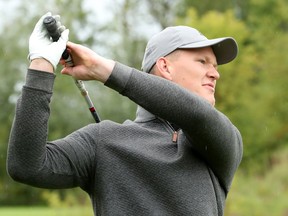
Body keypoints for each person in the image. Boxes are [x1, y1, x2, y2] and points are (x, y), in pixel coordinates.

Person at [7, 12, 243, 216]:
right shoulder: (103, 141)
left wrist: (104, 70)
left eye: (215, 66)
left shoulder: (219, 143)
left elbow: (197, 114)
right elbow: (26, 166)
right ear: (165, 67)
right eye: (203, 62)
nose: (215, 74)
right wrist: (41, 64)